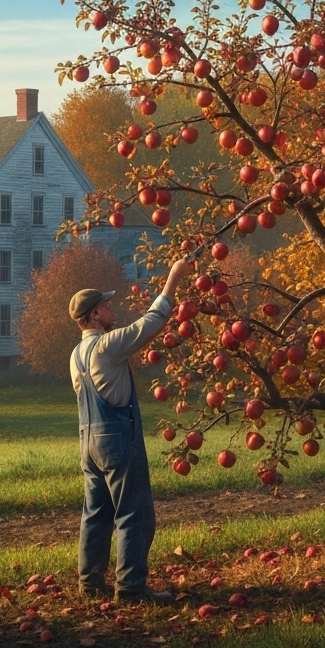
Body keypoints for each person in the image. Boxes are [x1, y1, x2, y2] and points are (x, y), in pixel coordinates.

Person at [68, 256, 195, 604]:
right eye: (107, 307)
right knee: (134, 512)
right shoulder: (106, 346)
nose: (113, 311)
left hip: (88, 442)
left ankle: (91, 584)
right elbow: (152, 322)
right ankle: (131, 588)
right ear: (95, 315)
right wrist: (173, 277)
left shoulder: (76, 354)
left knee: (96, 514)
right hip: (117, 440)